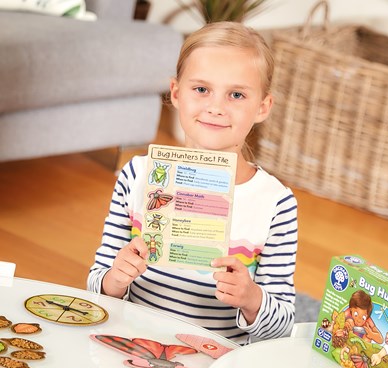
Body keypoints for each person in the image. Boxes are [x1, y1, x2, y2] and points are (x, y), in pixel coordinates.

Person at [87, 21, 298, 345]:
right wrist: (115, 279)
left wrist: (252, 299)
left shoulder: (275, 203)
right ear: (175, 93)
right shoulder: (137, 176)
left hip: (216, 363)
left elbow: (282, 326)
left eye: (236, 95)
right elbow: (96, 288)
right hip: (131, 344)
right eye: (201, 90)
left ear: (262, 107)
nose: (215, 107)